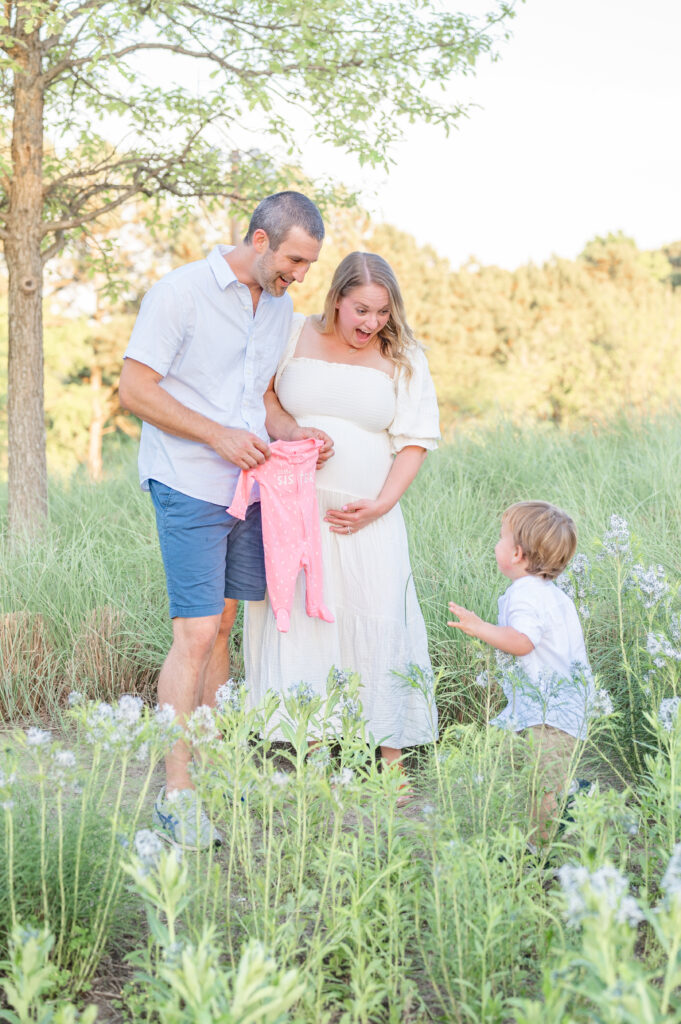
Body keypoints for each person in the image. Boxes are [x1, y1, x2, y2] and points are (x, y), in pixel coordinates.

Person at [119, 191, 332, 849]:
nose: (302, 274)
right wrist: (216, 436)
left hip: (249, 485)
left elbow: (260, 395)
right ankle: (176, 796)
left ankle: (208, 772)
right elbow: (134, 389)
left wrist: (296, 432)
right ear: (261, 240)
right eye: (296, 258)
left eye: (309, 263)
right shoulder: (179, 293)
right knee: (195, 631)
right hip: (186, 481)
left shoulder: (280, 307)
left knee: (224, 630)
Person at [245, 251, 440, 792]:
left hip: (367, 515)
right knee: (309, 619)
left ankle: (390, 755)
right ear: (335, 299)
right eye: (360, 309)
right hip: (296, 508)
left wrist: (381, 504)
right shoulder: (292, 333)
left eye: (382, 312)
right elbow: (261, 395)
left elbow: (415, 440)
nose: (371, 323)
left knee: (379, 616)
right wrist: (288, 431)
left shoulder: (403, 356)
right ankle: (312, 751)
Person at [447, 500, 594, 850]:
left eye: (500, 538)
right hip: (553, 706)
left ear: (516, 554)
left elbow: (522, 641)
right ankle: (570, 792)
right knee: (526, 764)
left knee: (542, 786)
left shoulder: (525, 594)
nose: (495, 544)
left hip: (551, 714)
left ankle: (537, 852)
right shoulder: (545, 592)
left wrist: (480, 628)